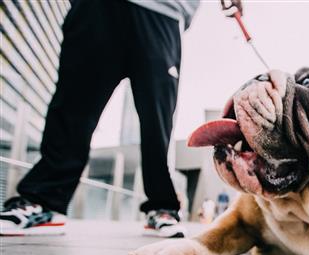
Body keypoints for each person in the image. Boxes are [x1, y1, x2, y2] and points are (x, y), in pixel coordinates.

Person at [0, 0, 243, 238]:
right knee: (73, 105)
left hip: (164, 11)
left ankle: (162, 206)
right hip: (97, 6)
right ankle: (44, 200)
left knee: (157, 121)